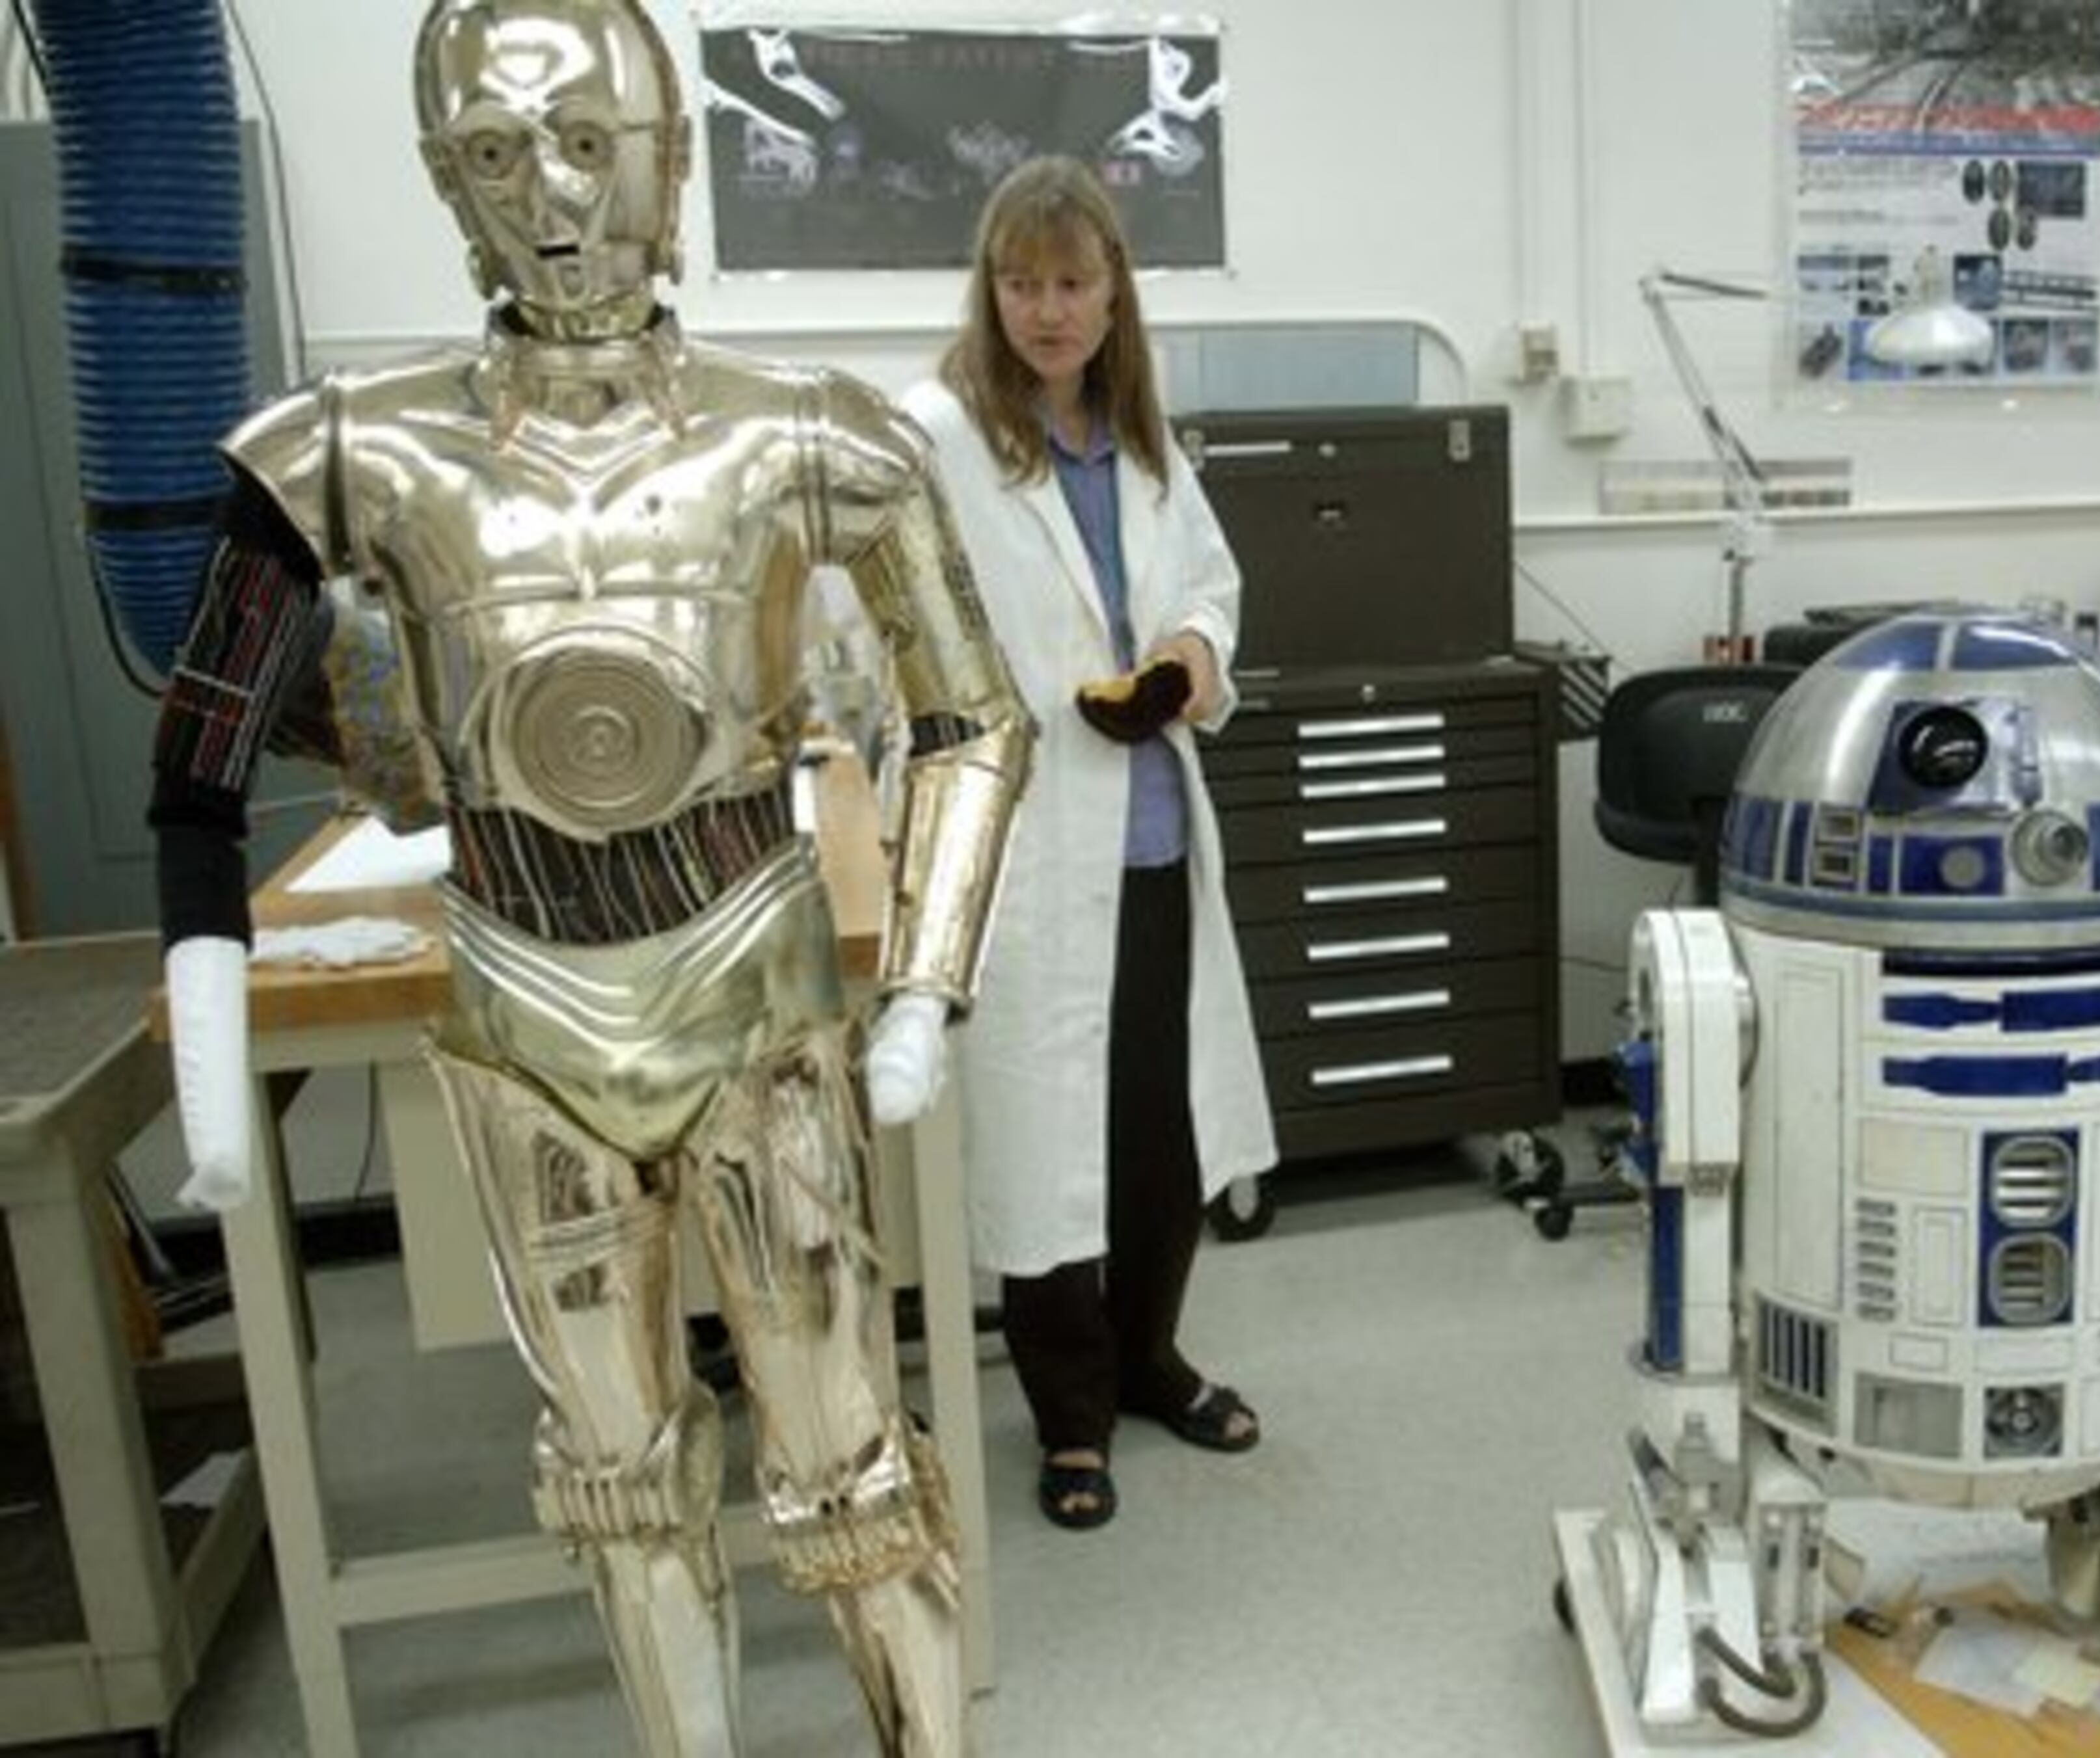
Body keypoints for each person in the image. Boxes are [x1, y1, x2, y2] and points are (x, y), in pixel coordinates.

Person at [145, 3, 1032, 1753]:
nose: (549, 198)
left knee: (843, 1460)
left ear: (672, 161)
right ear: (440, 182)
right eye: (492, 154)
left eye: (585, 147)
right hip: (519, 1002)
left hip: (754, 994)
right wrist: (205, 1025)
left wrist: (926, 978)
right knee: (615, 1477)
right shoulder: (348, 449)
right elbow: (200, 757)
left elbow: (973, 720)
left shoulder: (814, 435)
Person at [901, 157, 1278, 1532]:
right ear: (989, 290)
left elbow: (1215, 592)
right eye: (1022, 283)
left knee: (1160, 1129)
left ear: (1115, 290)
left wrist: (1190, 654)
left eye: (1073, 282)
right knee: (1044, 1127)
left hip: (1155, 828)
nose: (1048, 311)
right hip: (1023, 840)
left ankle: (1150, 1356)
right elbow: (882, 620)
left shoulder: (1144, 441)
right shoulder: (935, 432)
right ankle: (1069, 1410)